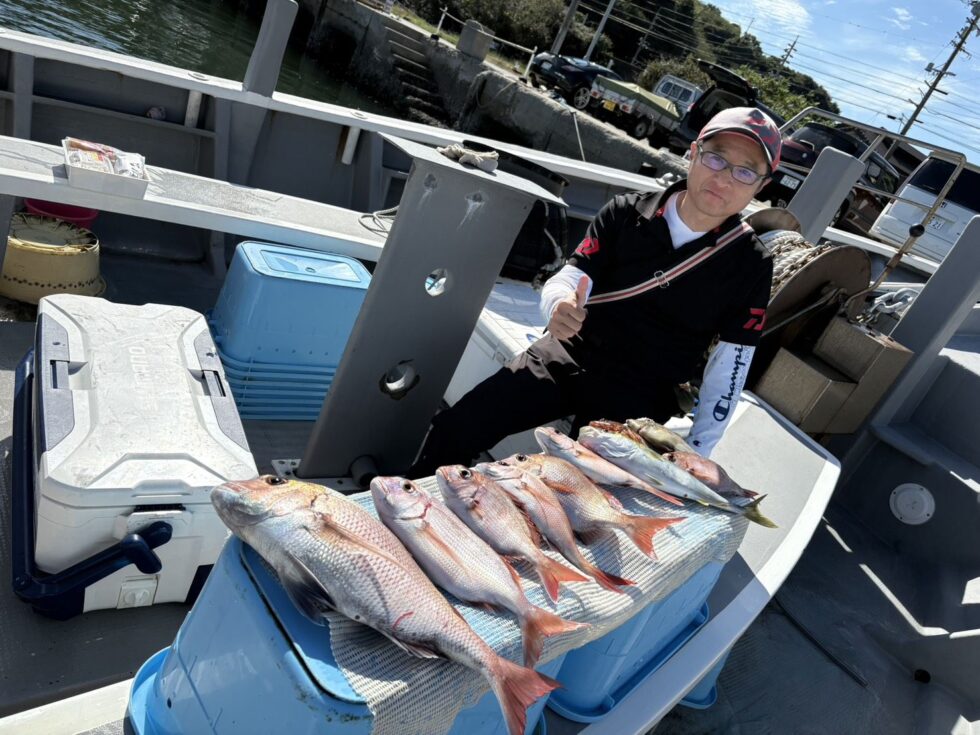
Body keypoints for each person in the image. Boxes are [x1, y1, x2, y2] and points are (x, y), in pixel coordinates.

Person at [410, 107, 781, 477]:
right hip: (569, 352)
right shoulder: (624, 212)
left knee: (583, 489)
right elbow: (570, 276)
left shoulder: (751, 263)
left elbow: (731, 365)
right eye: (716, 157)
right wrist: (557, 304)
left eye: (745, 171)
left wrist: (698, 452)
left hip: (644, 393)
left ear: (761, 186)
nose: (725, 178)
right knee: (456, 428)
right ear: (694, 152)